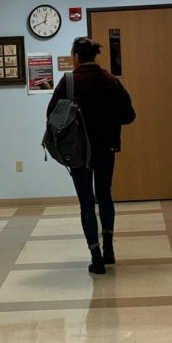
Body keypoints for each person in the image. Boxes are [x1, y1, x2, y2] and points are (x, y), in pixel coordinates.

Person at [47, 37, 136, 275]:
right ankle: (109, 247)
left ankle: (95, 256)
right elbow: (129, 115)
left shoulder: (68, 82)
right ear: (95, 55)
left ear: (76, 56)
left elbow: (51, 115)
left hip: (77, 152)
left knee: (86, 202)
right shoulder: (111, 81)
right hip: (106, 148)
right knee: (105, 195)